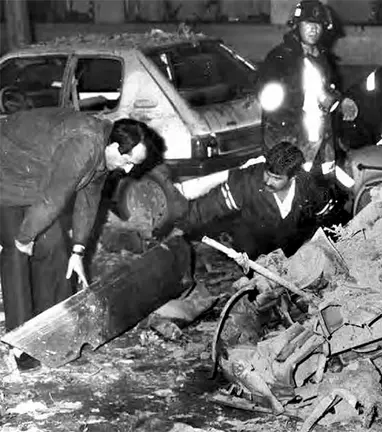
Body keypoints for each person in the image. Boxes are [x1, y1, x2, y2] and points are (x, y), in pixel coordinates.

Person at [0, 107, 163, 369]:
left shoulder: (104, 155)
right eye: (128, 160)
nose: (130, 169)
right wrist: (25, 236)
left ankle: (51, 331)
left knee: (54, 247)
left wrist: (78, 250)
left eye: (135, 164)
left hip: (36, 176)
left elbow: (88, 200)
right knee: (18, 248)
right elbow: (54, 198)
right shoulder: (84, 145)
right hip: (6, 171)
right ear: (112, 146)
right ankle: (21, 344)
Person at [177, 141, 333, 260]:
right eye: (267, 174)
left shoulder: (308, 186)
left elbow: (325, 219)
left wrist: (310, 246)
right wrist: (178, 227)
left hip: (291, 252)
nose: (268, 182)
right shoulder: (248, 180)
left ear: (292, 177)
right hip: (253, 252)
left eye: (277, 179)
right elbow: (209, 206)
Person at [256, 0, 357, 180]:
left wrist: (341, 102)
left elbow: (325, 91)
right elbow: (270, 100)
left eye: (319, 24)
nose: (314, 29)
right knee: (290, 186)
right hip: (288, 138)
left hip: (320, 139)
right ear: (296, 26)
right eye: (308, 23)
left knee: (324, 183)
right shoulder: (280, 58)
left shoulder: (322, 58)